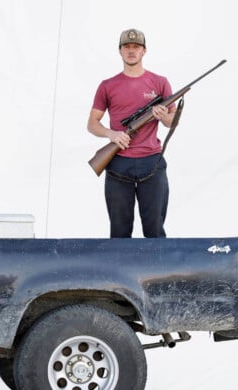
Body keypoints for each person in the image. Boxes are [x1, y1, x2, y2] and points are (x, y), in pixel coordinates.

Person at [87, 28, 176, 238]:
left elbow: (172, 121)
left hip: (152, 163)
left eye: (136, 47)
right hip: (118, 164)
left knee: (154, 231)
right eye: (127, 46)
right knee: (119, 232)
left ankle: (155, 271)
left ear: (144, 51)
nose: (132, 51)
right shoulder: (107, 85)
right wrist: (111, 134)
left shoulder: (160, 82)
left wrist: (161, 115)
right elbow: (92, 123)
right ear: (120, 51)